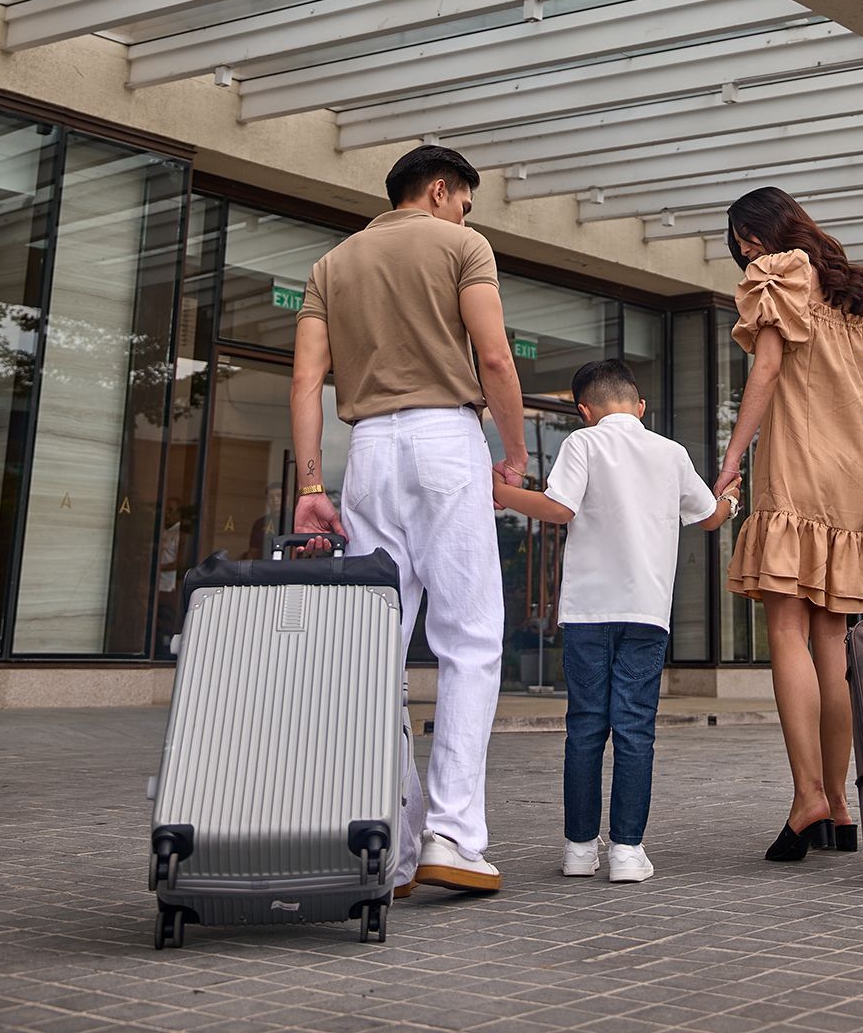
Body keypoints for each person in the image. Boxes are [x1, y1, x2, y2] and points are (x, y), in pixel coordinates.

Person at [291, 144, 528, 898]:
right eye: (464, 197)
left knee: (376, 650)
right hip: (444, 441)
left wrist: (309, 483)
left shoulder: (332, 265)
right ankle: (454, 836)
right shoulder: (463, 245)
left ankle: (386, 848)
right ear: (437, 189)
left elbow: (304, 380)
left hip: (367, 453)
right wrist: (515, 452)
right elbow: (492, 357)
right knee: (469, 639)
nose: (466, 211)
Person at [713, 187, 863, 863]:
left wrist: (732, 458)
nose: (744, 251)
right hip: (850, 475)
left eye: (745, 237)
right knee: (833, 639)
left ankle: (807, 801)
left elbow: (766, 369)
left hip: (794, 466)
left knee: (786, 629)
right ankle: (841, 802)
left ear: (768, 228)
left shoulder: (783, 273)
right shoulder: (859, 297)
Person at [491, 358, 739, 885]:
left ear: (585, 411)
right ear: (640, 406)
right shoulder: (670, 452)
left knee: (583, 729)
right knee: (634, 730)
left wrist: (499, 494)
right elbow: (710, 516)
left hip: (588, 611)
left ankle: (579, 849)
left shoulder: (583, 443)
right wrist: (733, 498)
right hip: (647, 613)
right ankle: (627, 850)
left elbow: (559, 508)